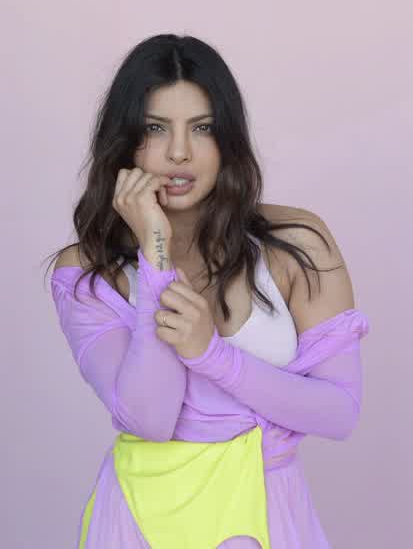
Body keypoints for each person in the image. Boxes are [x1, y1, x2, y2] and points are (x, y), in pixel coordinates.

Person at [48, 33, 370, 548]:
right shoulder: (88, 273)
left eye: (202, 128)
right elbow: (152, 419)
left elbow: (339, 412)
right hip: (140, 524)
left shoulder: (295, 244)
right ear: (125, 140)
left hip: (268, 520)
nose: (179, 152)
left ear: (228, 140)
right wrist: (156, 254)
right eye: (155, 128)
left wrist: (212, 356)